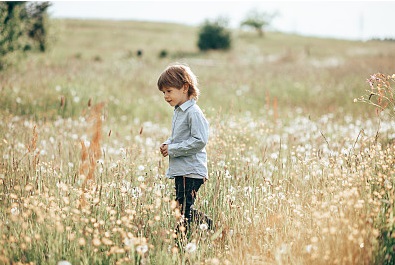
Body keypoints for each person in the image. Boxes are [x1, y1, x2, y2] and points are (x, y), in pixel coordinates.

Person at [157, 63, 213, 235]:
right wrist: (168, 144)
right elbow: (179, 137)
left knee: (183, 210)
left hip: (192, 170)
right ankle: (208, 227)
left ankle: (181, 241)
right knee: (182, 208)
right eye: (163, 92)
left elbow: (199, 140)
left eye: (169, 91)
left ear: (184, 87)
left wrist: (173, 149)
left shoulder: (193, 112)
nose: (166, 96)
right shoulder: (179, 111)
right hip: (182, 169)